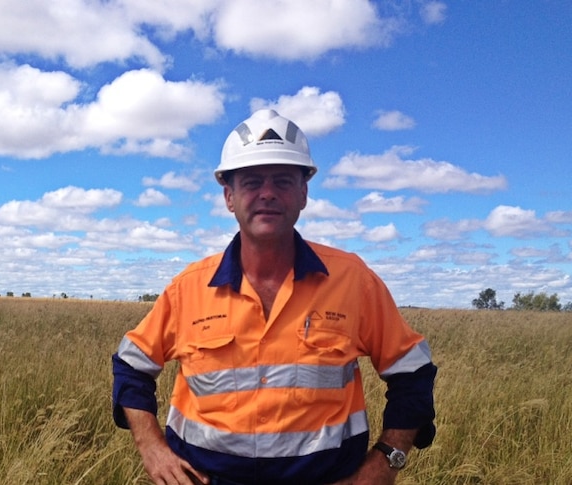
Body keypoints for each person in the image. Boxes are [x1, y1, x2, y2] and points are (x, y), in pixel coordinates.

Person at [111, 109, 437, 485]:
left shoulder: (353, 281)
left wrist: (384, 464)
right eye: (251, 182)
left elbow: (413, 374)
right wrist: (152, 448)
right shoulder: (189, 289)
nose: (267, 193)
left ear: (303, 194)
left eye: (282, 181)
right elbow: (131, 367)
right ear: (229, 197)